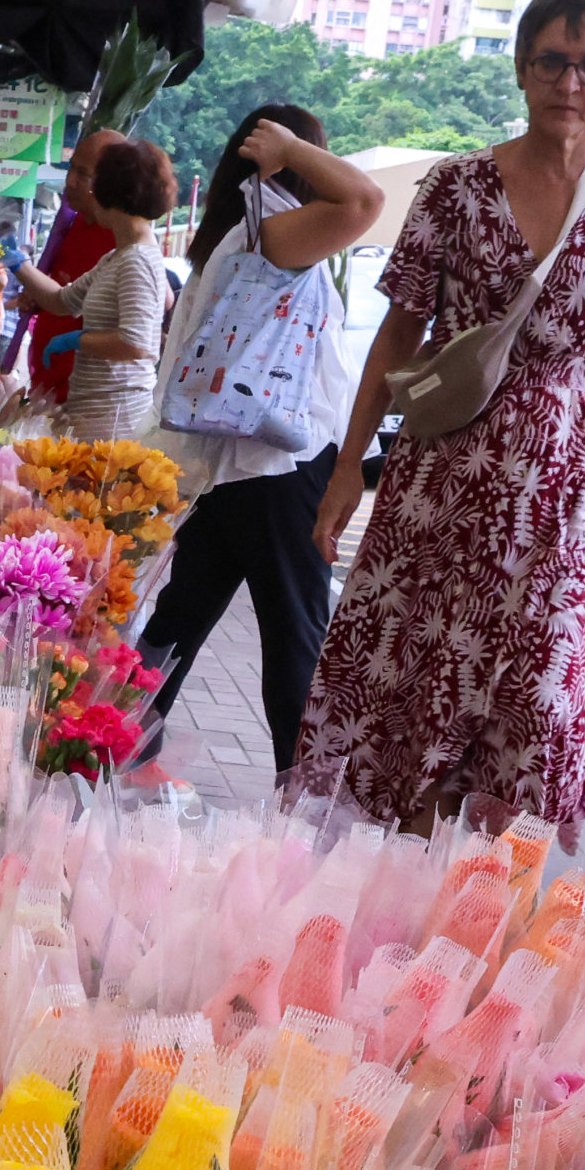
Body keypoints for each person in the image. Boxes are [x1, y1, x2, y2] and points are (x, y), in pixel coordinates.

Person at [287, 0, 585, 838]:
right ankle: (398, 914)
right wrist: (347, 466)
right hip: (445, 485)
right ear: (519, 68)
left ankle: (475, 927)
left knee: (537, 717)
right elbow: (397, 333)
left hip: (565, 493)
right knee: (421, 698)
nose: (568, 83)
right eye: (550, 61)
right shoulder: (455, 187)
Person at [136, 103, 386, 767]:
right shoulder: (273, 234)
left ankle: (101, 754)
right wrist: (292, 149)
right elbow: (363, 199)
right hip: (275, 466)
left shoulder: (236, 237)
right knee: (295, 639)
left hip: (228, 468)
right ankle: (300, 806)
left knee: (176, 625)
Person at [12, 136, 181, 439]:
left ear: (108, 194)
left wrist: (78, 339)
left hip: (116, 421)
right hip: (90, 413)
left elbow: (137, 343)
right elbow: (60, 300)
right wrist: (16, 262)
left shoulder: (137, 261)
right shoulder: (117, 256)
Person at [12, 126, 127, 403]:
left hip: (86, 395)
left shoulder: (121, 240)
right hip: (47, 381)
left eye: (83, 174)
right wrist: (36, 294)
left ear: (110, 182)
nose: (70, 182)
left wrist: (16, 262)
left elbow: (159, 304)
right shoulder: (73, 223)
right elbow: (63, 296)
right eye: (71, 169)